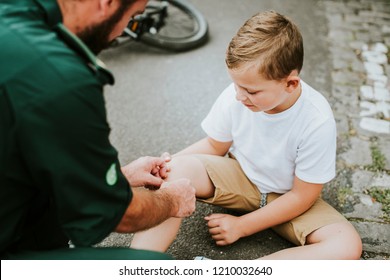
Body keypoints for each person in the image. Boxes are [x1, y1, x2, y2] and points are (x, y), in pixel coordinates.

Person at [130, 11, 363, 259]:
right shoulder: (237, 95)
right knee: (174, 171)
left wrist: (242, 226)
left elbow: (302, 196)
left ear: (291, 84)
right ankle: (137, 264)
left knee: (346, 245)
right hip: (240, 178)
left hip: (287, 199)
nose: (240, 96)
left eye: (251, 91)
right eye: (236, 85)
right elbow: (214, 145)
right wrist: (166, 164)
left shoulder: (316, 120)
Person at [0, 0, 196, 260]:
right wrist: (173, 199)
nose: (123, 31)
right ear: (107, 3)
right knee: (152, 264)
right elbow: (122, 215)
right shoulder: (61, 79)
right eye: (133, 16)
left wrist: (120, 178)